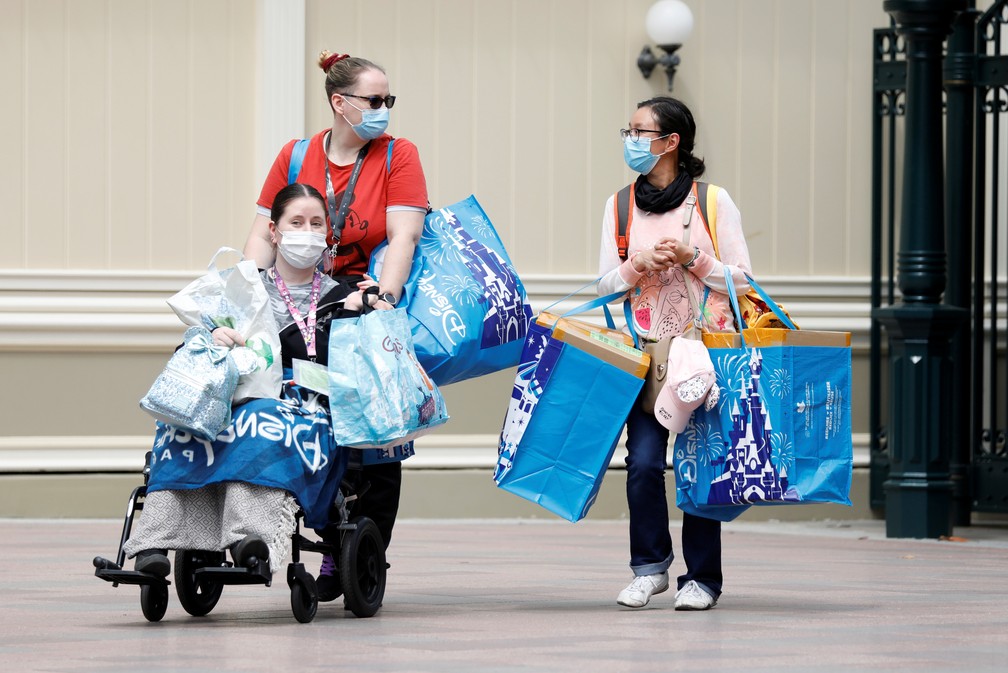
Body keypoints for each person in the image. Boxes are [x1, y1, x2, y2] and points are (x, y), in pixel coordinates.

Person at [243, 50, 428, 600]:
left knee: (373, 430)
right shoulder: (296, 154)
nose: (385, 108)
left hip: (362, 297)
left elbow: (403, 235)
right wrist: (244, 294)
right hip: (296, 295)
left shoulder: (397, 154)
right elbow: (262, 231)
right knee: (290, 402)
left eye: (389, 99)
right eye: (375, 99)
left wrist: (383, 299)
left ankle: (357, 552)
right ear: (339, 103)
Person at [124, 183, 375, 576]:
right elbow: (190, 350)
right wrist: (213, 336)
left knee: (260, 423)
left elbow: (363, 368)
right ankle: (152, 544)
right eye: (296, 222)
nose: (307, 232)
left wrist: (364, 311)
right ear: (273, 231)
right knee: (181, 427)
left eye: (316, 224)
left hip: (309, 406)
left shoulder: (345, 296)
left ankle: (249, 537)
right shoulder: (240, 290)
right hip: (238, 396)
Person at [597, 96, 755, 610]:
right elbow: (605, 287)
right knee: (643, 464)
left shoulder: (713, 202)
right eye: (628, 131)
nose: (630, 140)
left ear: (671, 141)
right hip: (648, 358)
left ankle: (702, 579)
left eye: (640, 131)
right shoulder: (620, 205)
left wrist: (694, 258)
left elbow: (745, 282)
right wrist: (638, 264)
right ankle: (649, 569)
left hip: (706, 358)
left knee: (702, 464)